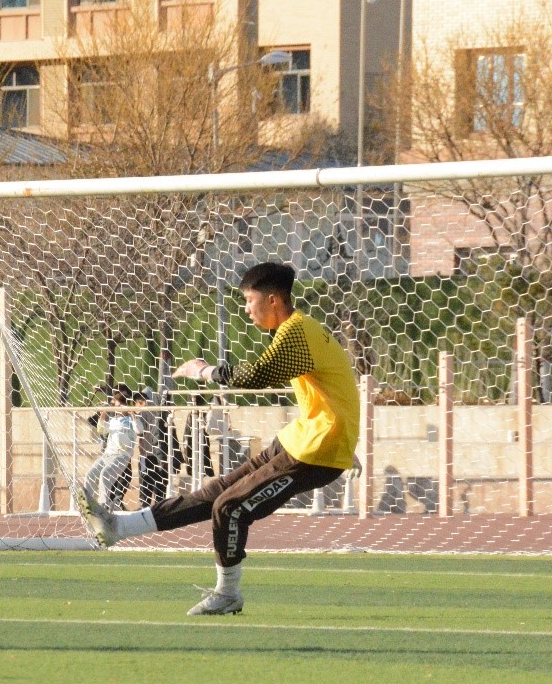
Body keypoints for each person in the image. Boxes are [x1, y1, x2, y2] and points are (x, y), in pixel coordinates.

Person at [75, 261, 360, 616]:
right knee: (214, 494)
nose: (246, 309)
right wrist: (346, 435)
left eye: (249, 300)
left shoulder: (297, 331)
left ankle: (228, 594)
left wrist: (205, 371)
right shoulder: (300, 330)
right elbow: (337, 387)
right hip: (304, 440)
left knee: (229, 508)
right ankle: (118, 526)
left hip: (316, 450)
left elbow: (257, 375)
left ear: (273, 300)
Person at [83, 385, 140, 512]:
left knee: (105, 475)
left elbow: (139, 430)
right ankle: (88, 506)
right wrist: (102, 416)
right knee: (90, 475)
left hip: (121, 456)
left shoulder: (131, 420)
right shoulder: (114, 420)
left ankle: (103, 507)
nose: (116, 408)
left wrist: (133, 415)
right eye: (115, 405)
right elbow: (101, 430)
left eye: (118, 405)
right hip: (107, 455)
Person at [132, 388, 165, 508]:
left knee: (146, 482)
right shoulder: (159, 412)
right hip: (158, 454)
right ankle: (159, 507)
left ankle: (145, 507)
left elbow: (139, 431)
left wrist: (134, 416)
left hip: (147, 454)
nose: (137, 404)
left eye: (140, 402)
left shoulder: (143, 413)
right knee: (159, 484)